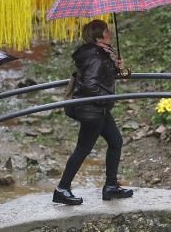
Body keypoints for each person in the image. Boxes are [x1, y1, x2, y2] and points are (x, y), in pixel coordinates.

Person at [54, 19, 133, 205]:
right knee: (83, 149)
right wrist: (104, 98)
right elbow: (90, 84)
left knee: (116, 141)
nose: (110, 33)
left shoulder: (100, 53)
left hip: (98, 109)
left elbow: (103, 77)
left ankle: (111, 185)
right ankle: (62, 188)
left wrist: (121, 70)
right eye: (107, 31)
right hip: (93, 110)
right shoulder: (96, 56)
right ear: (99, 37)